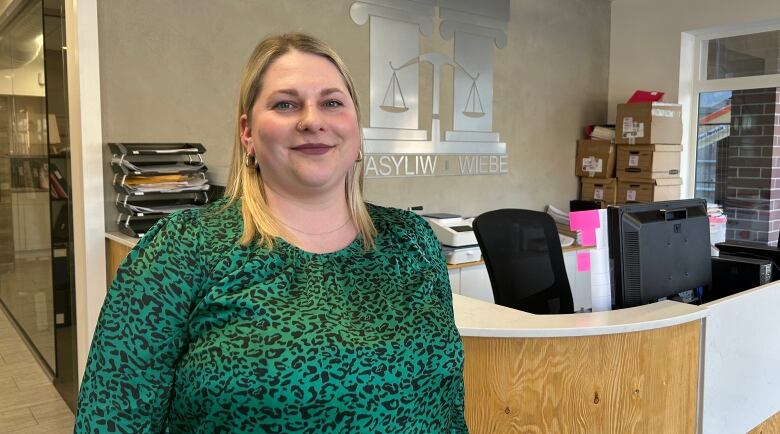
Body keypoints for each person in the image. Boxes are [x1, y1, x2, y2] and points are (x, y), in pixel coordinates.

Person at [75, 32, 467, 433]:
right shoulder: (181, 250)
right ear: (247, 132)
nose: (312, 120)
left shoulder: (413, 241)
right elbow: (111, 421)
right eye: (285, 104)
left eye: (332, 102)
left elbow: (449, 409)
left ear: (357, 127)